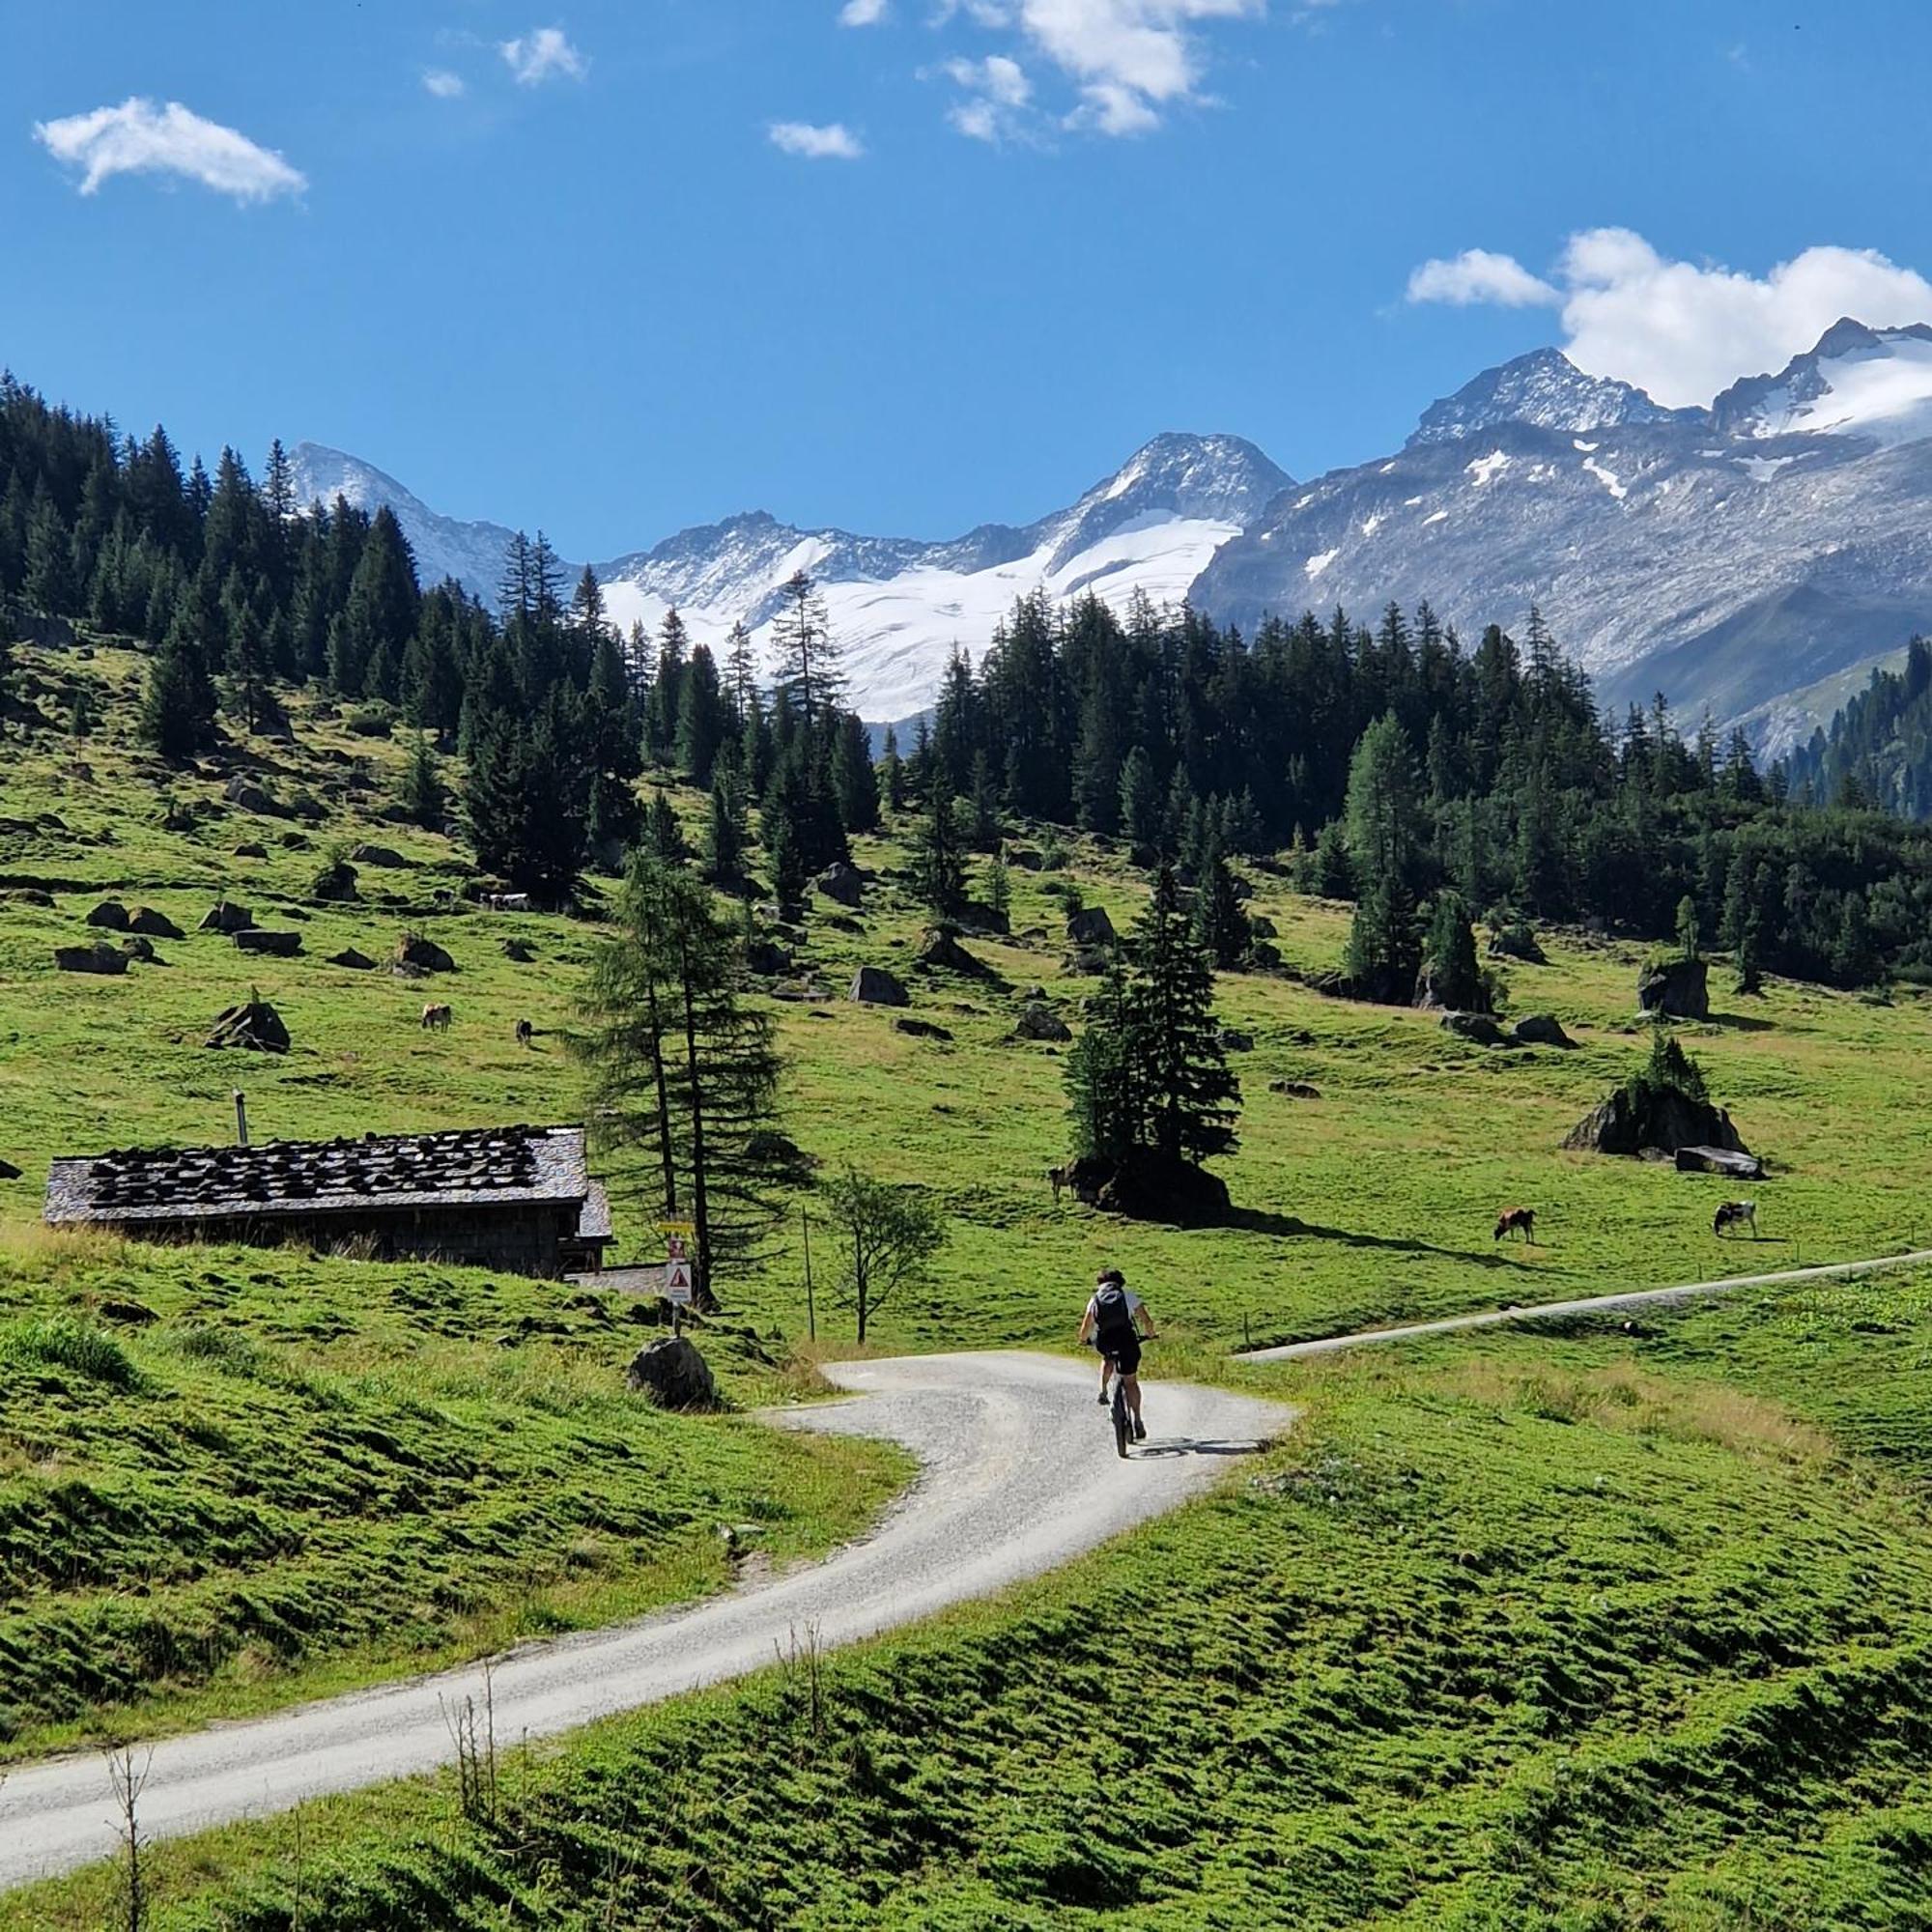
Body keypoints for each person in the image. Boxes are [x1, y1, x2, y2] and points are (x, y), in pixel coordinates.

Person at [1079, 1266, 1157, 1440]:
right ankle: (1137, 1419)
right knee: (1130, 1381)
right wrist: (1150, 1334)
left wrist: (1084, 1340)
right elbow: (1146, 1320)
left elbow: (1086, 1327)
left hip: (1106, 1341)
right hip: (1127, 1341)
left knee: (1108, 1357)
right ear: (1120, 1282)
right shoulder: (1128, 1296)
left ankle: (1104, 1391)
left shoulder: (1095, 1299)